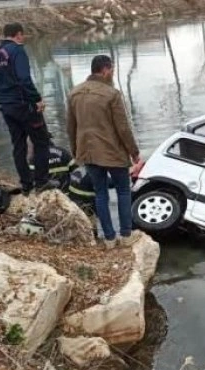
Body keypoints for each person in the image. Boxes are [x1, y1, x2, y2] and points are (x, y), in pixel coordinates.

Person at [67, 55, 141, 249]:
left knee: (100, 194)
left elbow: (71, 127)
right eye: (112, 71)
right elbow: (122, 128)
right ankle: (126, 235)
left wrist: (76, 152)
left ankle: (108, 238)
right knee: (124, 191)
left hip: (88, 153)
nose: (112, 74)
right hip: (112, 151)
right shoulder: (112, 94)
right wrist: (134, 152)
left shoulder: (74, 93)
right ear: (106, 70)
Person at [0, 22, 57, 195]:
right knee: (41, 142)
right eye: (23, 35)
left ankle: (26, 184)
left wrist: (2, 101)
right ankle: (41, 182)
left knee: (18, 146)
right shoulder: (17, 51)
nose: (23, 38)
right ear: (18, 34)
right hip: (24, 106)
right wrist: (37, 99)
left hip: (7, 107)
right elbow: (24, 79)